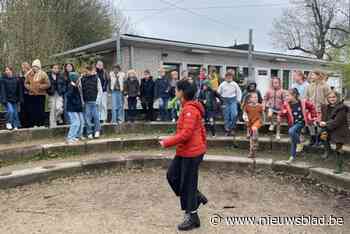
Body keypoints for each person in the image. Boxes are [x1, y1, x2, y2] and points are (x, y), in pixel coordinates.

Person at [160, 79, 208, 231]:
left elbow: (186, 134)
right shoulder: (186, 107)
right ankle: (195, 196)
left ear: (181, 92)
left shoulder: (190, 110)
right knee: (172, 176)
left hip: (192, 153)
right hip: (185, 151)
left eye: (176, 89)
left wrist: (167, 142)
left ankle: (192, 217)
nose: (174, 91)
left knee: (187, 184)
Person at [279, 88, 317, 163]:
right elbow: (281, 114)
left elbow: (312, 107)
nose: (286, 98)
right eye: (285, 96)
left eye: (287, 96)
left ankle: (299, 143)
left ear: (294, 95)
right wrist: (283, 113)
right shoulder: (286, 104)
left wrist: (313, 116)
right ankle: (291, 157)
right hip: (292, 124)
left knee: (291, 131)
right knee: (293, 141)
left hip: (301, 122)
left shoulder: (302, 102)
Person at [319, 91, 350, 173]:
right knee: (322, 134)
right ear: (327, 99)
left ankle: (339, 166)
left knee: (338, 148)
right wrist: (320, 122)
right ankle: (327, 150)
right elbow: (324, 119)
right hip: (330, 128)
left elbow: (337, 121)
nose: (332, 99)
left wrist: (325, 124)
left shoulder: (342, 108)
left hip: (340, 130)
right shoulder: (326, 107)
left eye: (333, 97)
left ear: (337, 98)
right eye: (330, 97)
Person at [305, 70, 331, 146]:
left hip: (321, 109)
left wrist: (326, 105)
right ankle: (312, 137)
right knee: (310, 124)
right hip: (311, 109)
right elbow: (307, 97)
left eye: (313, 75)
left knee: (320, 125)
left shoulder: (325, 85)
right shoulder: (310, 85)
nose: (311, 77)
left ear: (318, 76)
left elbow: (329, 96)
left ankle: (319, 140)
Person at [24, 59, 50, 128]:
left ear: (39, 67)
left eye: (36, 66)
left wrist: (40, 87)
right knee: (33, 110)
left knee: (40, 110)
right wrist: (30, 88)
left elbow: (48, 84)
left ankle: (41, 124)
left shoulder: (43, 74)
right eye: (33, 66)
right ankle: (34, 124)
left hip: (41, 95)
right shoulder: (29, 74)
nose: (34, 68)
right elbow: (26, 83)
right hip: (32, 94)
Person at [217, 71, 242, 136]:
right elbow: (218, 93)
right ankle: (227, 130)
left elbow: (239, 92)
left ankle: (232, 128)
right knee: (226, 116)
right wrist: (218, 101)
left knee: (234, 114)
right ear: (225, 77)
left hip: (233, 100)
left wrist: (238, 100)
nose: (229, 77)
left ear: (232, 77)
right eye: (227, 76)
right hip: (225, 100)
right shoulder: (222, 84)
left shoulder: (235, 84)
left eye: (230, 76)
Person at [81, 65, 102, 139]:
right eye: (85, 71)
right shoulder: (82, 79)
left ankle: (97, 131)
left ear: (91, 70)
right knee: (87, 118)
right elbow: (80, 91)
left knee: (96, 117)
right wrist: (82, 101)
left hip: (94, 101)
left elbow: (100, 90)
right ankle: (89, 132)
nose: (86, 72)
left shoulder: (96, 78)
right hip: (86, 101)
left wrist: (98, 101)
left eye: (87, 71)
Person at [243, 92, 264, 158]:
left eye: (256, 97)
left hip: (258, 121)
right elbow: (244, 114)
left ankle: (256, 140)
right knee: (251, 139)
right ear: (250, 99)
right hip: (250, 123)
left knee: (254, 129)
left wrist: (263, 121)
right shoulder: (247, 106)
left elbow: (263, 114)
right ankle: (252, 152)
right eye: (253, 97)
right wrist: (245, 119)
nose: (255, 99)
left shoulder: (260, 106)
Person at [66, 72, 84, 144]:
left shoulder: (75, 86)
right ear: (74, 79)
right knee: (75, 123)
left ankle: (73, 137)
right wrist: (76, 104)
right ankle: (69, 138)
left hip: (75, 108)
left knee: (78, 122)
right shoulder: (71, 87)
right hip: (71, 109)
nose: (79, 80)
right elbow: (69, 96)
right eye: (78, 79)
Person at [47, 64, 66, 128]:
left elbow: (64, 85)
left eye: (57, 68)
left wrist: (62, 90)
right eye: (54, 68)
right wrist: (48, 91)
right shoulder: (48, 76)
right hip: (51, 94)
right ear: (51, 69)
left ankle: (58, 117)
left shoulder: (61, 76)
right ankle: (52, 125)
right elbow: (46, 85)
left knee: (59, 108)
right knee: (52, 110)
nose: (56, 69)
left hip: (59, 94)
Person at [19, 62, 31, 128]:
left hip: (29, 95)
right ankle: (23, 125)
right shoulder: (21, 75)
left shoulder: (30, 75)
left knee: (29, 110)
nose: (23, 69)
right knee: (23, 111)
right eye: (22, 68)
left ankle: (28, 125)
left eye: (24, 68)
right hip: (23, 95)